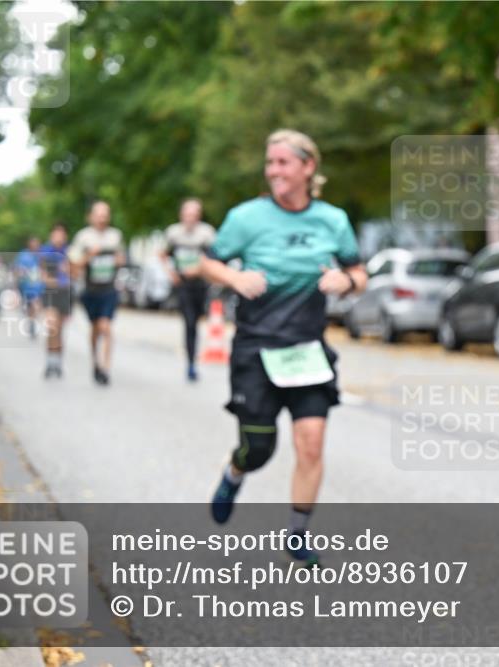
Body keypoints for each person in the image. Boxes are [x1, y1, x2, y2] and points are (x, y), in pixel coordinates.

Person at [201, 129, 367, 567]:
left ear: (307, 168)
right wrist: (234, 278)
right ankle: (235, 471)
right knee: (258, 449)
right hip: (256, 348)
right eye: (269, 162)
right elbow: (207, 261)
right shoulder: (246, 218)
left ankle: (297, 533)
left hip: (307, 349)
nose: (273, 170)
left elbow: (359, 271)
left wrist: (346, 281)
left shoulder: (332, 221)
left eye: (282, 162)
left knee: (311, 442)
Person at [68, 201, 125, 386]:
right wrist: (89, 256)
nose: (102, 217)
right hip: (90, 291)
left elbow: (121, 258)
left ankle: (105, 368)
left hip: (109, 289)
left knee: (106, 327)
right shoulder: (83, 237)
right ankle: (95, 361)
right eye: (98, 214)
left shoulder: (115, 236)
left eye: (105, 214)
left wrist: (118, 260)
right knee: (95, 328)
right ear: (91, 216)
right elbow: (73, 265)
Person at [161, 198, 216, 381]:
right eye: (188, 214)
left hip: (201, 284)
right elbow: (162, 254)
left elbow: (215, 256)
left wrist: (202, 270)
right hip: (183, 285)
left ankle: (193, 358)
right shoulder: (174, 233)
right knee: (189, 323)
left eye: (195, 214)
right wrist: (171, 273)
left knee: (197, 321)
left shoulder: (206, 233)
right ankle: (191, 363)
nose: (191, 218)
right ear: (182, 215)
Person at [40, 224, 72, 379]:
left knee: (60, 330)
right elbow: (44, 275)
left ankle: (58, 363)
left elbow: (74, 274)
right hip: (51, 293)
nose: (58, 237)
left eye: (61, 234)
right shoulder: (46, 251)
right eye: (56, 234)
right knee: (51, 326)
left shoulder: (70, 251)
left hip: (65, 294)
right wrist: (55, 281)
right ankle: (50, 362)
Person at [15, 236, 45, 338]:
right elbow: (18, 269)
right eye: (33, 243)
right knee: (30, 307)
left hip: (39, 286)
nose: (35, 245)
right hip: (26, 286)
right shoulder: (23, 255)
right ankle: (31, 321)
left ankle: (33, 320)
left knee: (36, 304)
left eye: (37, 243)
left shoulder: (42, 254)